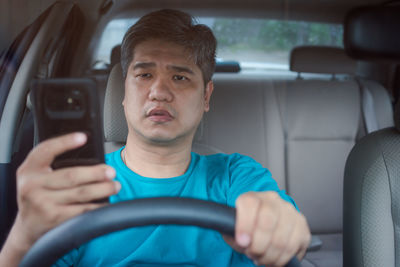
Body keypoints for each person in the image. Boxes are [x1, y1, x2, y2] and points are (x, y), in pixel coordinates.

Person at [0, 9, 310, 267]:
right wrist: (21, 237)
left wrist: (280, 224)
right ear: (124, 92)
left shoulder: (235, 176)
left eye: (180, 77)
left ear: (206, 96)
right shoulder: (80, 184)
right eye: (144, 74)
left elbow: (281, 221)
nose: (159, 92)